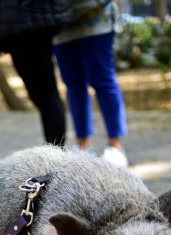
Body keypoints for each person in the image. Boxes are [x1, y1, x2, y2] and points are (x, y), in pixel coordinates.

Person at [0, 0, 72, 147]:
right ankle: (53, 147)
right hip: (14, 30)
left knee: (47, 95)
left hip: (36, 25)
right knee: (38, 96)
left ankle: (55, 152)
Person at [53, 1, 129, 167]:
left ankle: (115, 146)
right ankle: (82, 146)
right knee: (73, 86)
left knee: (103, 81)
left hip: (96, 20)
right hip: (61, 26)